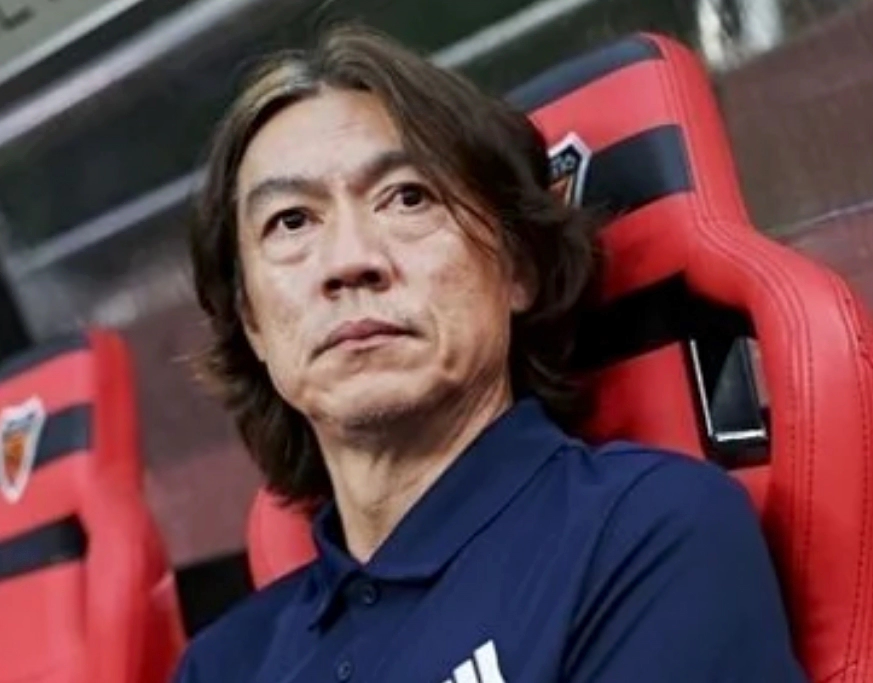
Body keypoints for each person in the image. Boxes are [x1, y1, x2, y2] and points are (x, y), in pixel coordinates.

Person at [176, 24, 806, 683]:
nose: (349, 260)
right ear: (251, 321)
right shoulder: (221, 665)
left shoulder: (644, 534)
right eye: (291, 221)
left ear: (517, 268)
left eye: (408, 197)